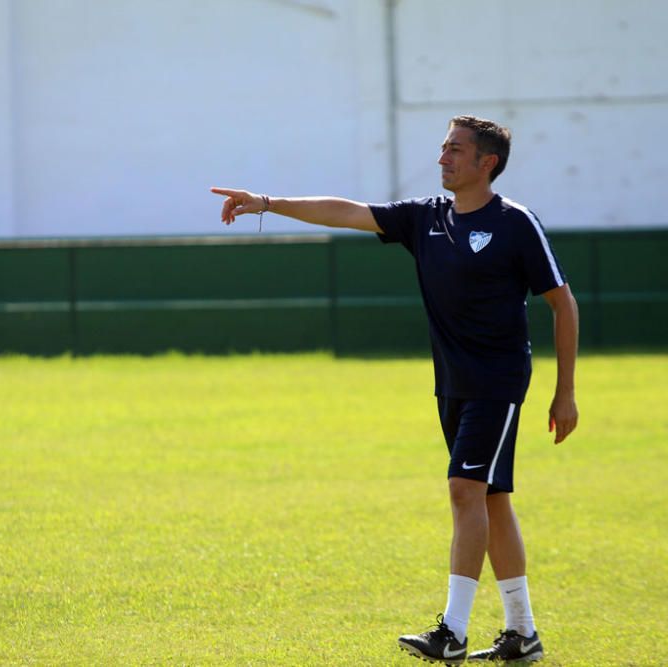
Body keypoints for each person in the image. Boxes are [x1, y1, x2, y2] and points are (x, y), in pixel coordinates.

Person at [211, 114, 578, 664]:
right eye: (443, 147)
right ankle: (522, 633)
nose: (442, 158)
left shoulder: (516, 223)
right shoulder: (424, 218)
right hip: (452, 383)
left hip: (497, 383)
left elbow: (562, 302)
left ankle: (452, 631)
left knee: (463, 490)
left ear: (487, 164)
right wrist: (265, 201)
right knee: (490, 499)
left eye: (456, 150)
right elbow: (346, 210)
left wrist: (565, 392)